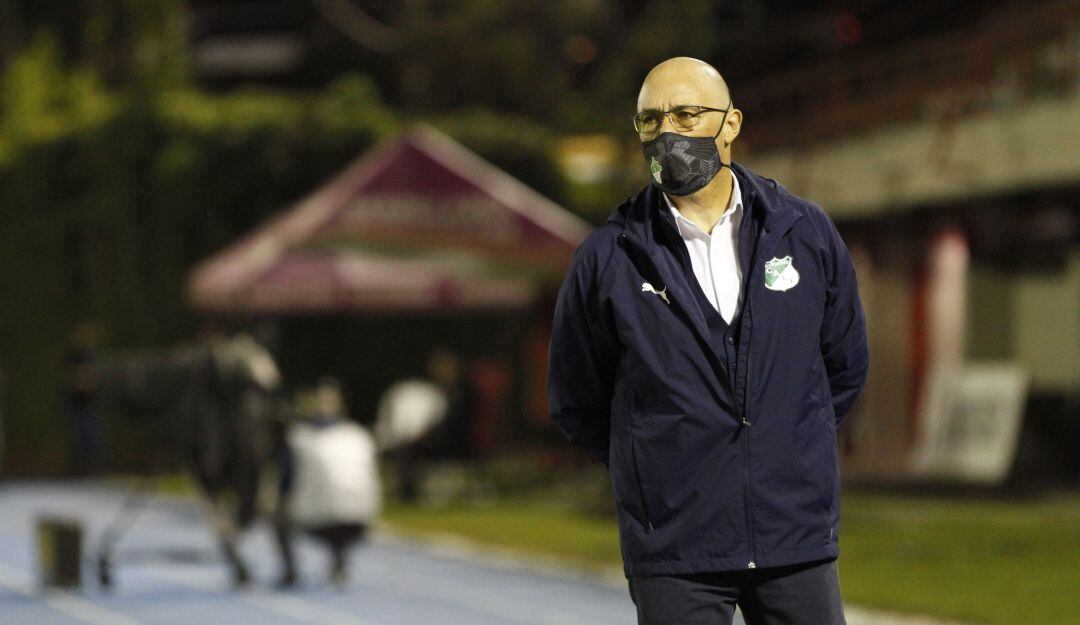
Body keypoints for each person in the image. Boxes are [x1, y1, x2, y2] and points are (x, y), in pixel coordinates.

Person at [547, 57, 869, 625]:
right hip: (675, 547)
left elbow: (843, 368)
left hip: (793, 537)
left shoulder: (806, 232)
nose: (668, 132)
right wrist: (658, 464)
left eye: (687, 114)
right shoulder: (607, 257)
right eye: (650, 120)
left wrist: (783, 448)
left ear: (731, 124)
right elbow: (578, 400)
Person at [275, 377, 380, 587]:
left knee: (277, 515)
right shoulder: (359, 435)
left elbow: (285, 482)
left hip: (318, 520)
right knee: (339, 503)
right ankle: (339, 561)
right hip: (361, 520)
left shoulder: (299, 436)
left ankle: (290, 569)